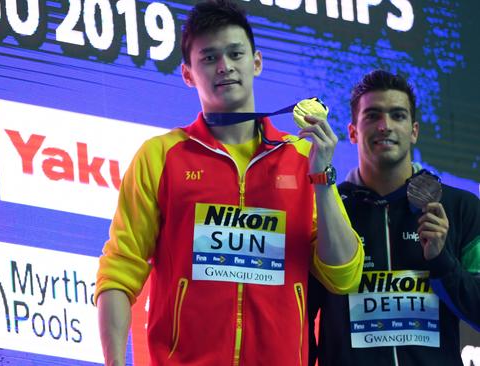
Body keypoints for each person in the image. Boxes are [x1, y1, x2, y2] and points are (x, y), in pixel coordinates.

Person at [94, 0, 364, 364]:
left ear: (256, 62)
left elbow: (343, 275)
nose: (225, 67)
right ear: (188, 74)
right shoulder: (159, 157)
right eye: (209, 58)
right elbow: (118, 273)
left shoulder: (302, 158)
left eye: (236, 53)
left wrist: (322, 178)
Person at [308, 70, 480, 366]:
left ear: (414, 130)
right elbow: (300, 313)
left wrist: (442, 261)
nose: (384, 126)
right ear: (352, 132)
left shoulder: (460, 207)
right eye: (372, 116)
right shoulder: (325, 209)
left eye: (397, 116)